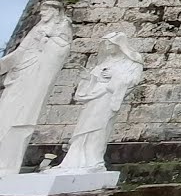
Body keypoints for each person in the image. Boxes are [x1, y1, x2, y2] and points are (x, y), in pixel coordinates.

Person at [47, 31, 144, 173]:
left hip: (107, 98)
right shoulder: (105, 61)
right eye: (105, 44)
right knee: (83, 127)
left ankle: (93, 160)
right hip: (94, 97)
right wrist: (86, 78)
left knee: (100, 128)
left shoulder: (131, 62)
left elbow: (133, 80)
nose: (107, 47)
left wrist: (114, 76)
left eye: (110, 44)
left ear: (118, 45)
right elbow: (93, 78)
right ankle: (73, 161)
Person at [0, 2, 74, 175]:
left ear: (56, 12)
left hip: (37, 76)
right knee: (6, 116)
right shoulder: (37, 28)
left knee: (22, 119)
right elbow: (20, 52)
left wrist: (50, 40)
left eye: (47, 10)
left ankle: (8, 164)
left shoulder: (62, 28)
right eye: (41, 10)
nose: (42, 13)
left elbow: (61, 50)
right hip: (21, 75)